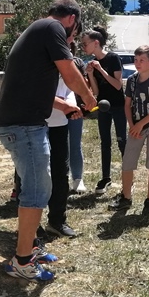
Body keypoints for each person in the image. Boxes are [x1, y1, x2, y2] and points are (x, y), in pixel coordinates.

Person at [0, 0, 96, 282]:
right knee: (37, 191)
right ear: (72, 20)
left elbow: (37, 89)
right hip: (23, 125)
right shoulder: (52, 28)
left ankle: (31, 247)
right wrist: (89, 99)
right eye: (75, 29)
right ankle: (22, 261)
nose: (72, 36)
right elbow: (70, 73)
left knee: (38, 186)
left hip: (23, 122)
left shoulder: (38, 31)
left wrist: (68, 105)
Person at [110, 45, 149, 214]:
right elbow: (127, 105)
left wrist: (141, 124)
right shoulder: (132, 80)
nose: (137, 63)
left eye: (142, 60)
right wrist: (132, 125)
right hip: (136, 127)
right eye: (136, 60)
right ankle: (126, 197)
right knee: (128, 162)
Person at [46, 36, 84, 238]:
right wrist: (64, 105)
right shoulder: (39, 62)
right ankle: (29, 227)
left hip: (59, 124)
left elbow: (70, 89)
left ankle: (57, 221)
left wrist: (73, 106)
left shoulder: (70, 65)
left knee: (61, 173)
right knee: (34, 175)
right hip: (36, 124)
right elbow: (36, 93)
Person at [83, 26, 127, 194]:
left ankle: (128, 177)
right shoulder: (92, 63)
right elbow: (96, 92)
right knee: (105, 142)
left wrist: (100, 69)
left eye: (85, 44)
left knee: (122, 141)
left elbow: (118, 85)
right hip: (103, 106)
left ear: (96, 43)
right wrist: (91, 74)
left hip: (118, 106)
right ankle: (106, 178)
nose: (83, 47)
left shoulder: (113, 58)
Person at [67, 39, 88, 194]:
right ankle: (60, 178)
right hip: (54, 110)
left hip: (75, 110)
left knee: (75, 144)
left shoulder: (78, 62)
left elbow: (84, 85)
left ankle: (77, 179)